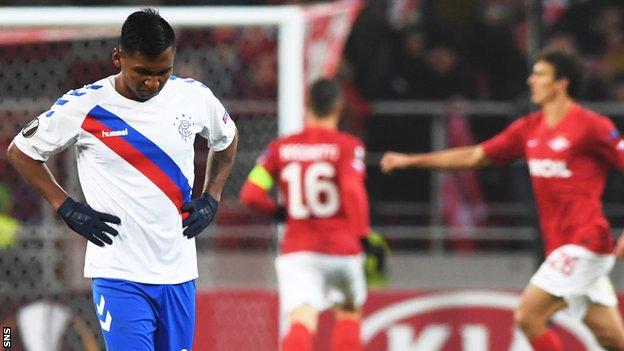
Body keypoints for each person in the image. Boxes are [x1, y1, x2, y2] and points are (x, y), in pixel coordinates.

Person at [6, 9, 238, 351]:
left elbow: (227, 139)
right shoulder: (86, 105)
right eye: (142, 72)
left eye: (163, 72)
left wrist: (212, 196)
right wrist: (66, 207)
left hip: (179, 273)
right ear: (118, 57)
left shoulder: (194, 97)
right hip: (120, 273)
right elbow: (21, 151)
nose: (152, 83)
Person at [380, 50, 624, 351]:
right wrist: (411, 161)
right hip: (559, 246)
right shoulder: (529, 128)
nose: (530, 80)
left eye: (539, 74)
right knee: (612, 340)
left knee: (528, 316)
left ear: (562, 83)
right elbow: (475, 155)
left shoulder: (592, 125)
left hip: (585, 241)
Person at [240, 78, 372, 351]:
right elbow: (352, 190)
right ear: (339, 106)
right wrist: (363, 235)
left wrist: (277, 211)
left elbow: (250, 194)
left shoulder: (279, 149)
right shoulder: (348, 147)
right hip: (342, 248)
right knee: (348, 313)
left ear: (307, 105)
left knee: (301, 319)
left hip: (299, 250)